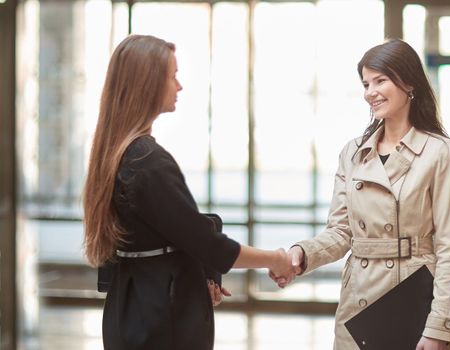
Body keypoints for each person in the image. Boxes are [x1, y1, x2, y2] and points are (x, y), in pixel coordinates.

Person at [83, 34, 293, 350]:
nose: (179, 86)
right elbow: (208, 244)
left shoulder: (115, 153)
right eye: (172, 76)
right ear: (147, 84)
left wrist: (202, 274)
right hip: (161, 313)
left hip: (129, 306)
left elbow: (163, 230)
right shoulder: (147, 161)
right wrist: (275, 259)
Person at [272, 38, 450, 350]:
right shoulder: (353, 152)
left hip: (412, 301)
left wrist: (439, 327)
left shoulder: (440, 152)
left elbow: (449, 249)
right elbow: (340, 231)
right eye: (365, 83)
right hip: (358, 304)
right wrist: (302, 253)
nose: (370, 92)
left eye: (380, 80)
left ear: (409, 83)